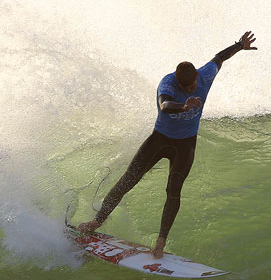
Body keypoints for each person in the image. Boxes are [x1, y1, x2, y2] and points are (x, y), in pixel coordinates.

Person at [77, 31, 258, 258]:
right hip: (159, 140)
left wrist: (239, 46)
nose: (191, 90)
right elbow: (164, 106)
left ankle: (160, 242)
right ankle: (96, 222)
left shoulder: (204, 75)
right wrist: (184, 106)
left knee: (174, 190)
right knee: (128, 180)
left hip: (185, 145)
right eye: (186, 88)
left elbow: (219, 57)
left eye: (193, 86)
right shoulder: (168, 83)